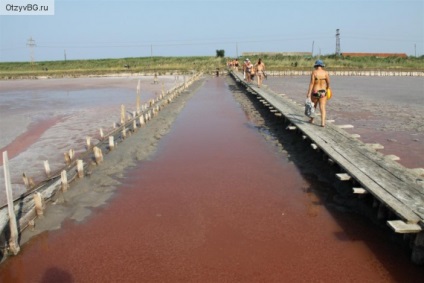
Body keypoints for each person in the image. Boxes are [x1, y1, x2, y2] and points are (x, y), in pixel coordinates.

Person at [306, 59, 330, 127]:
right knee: (322, 107)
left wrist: (308, 93)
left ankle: (312, 120)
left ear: (316, 66)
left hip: (315, 91)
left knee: (313, 107)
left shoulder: (314, 72)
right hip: (323, 92)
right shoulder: (325, 73)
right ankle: (322, 123)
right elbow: (328, 82)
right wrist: (327, 88)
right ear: (322, 66)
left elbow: (311, 83)